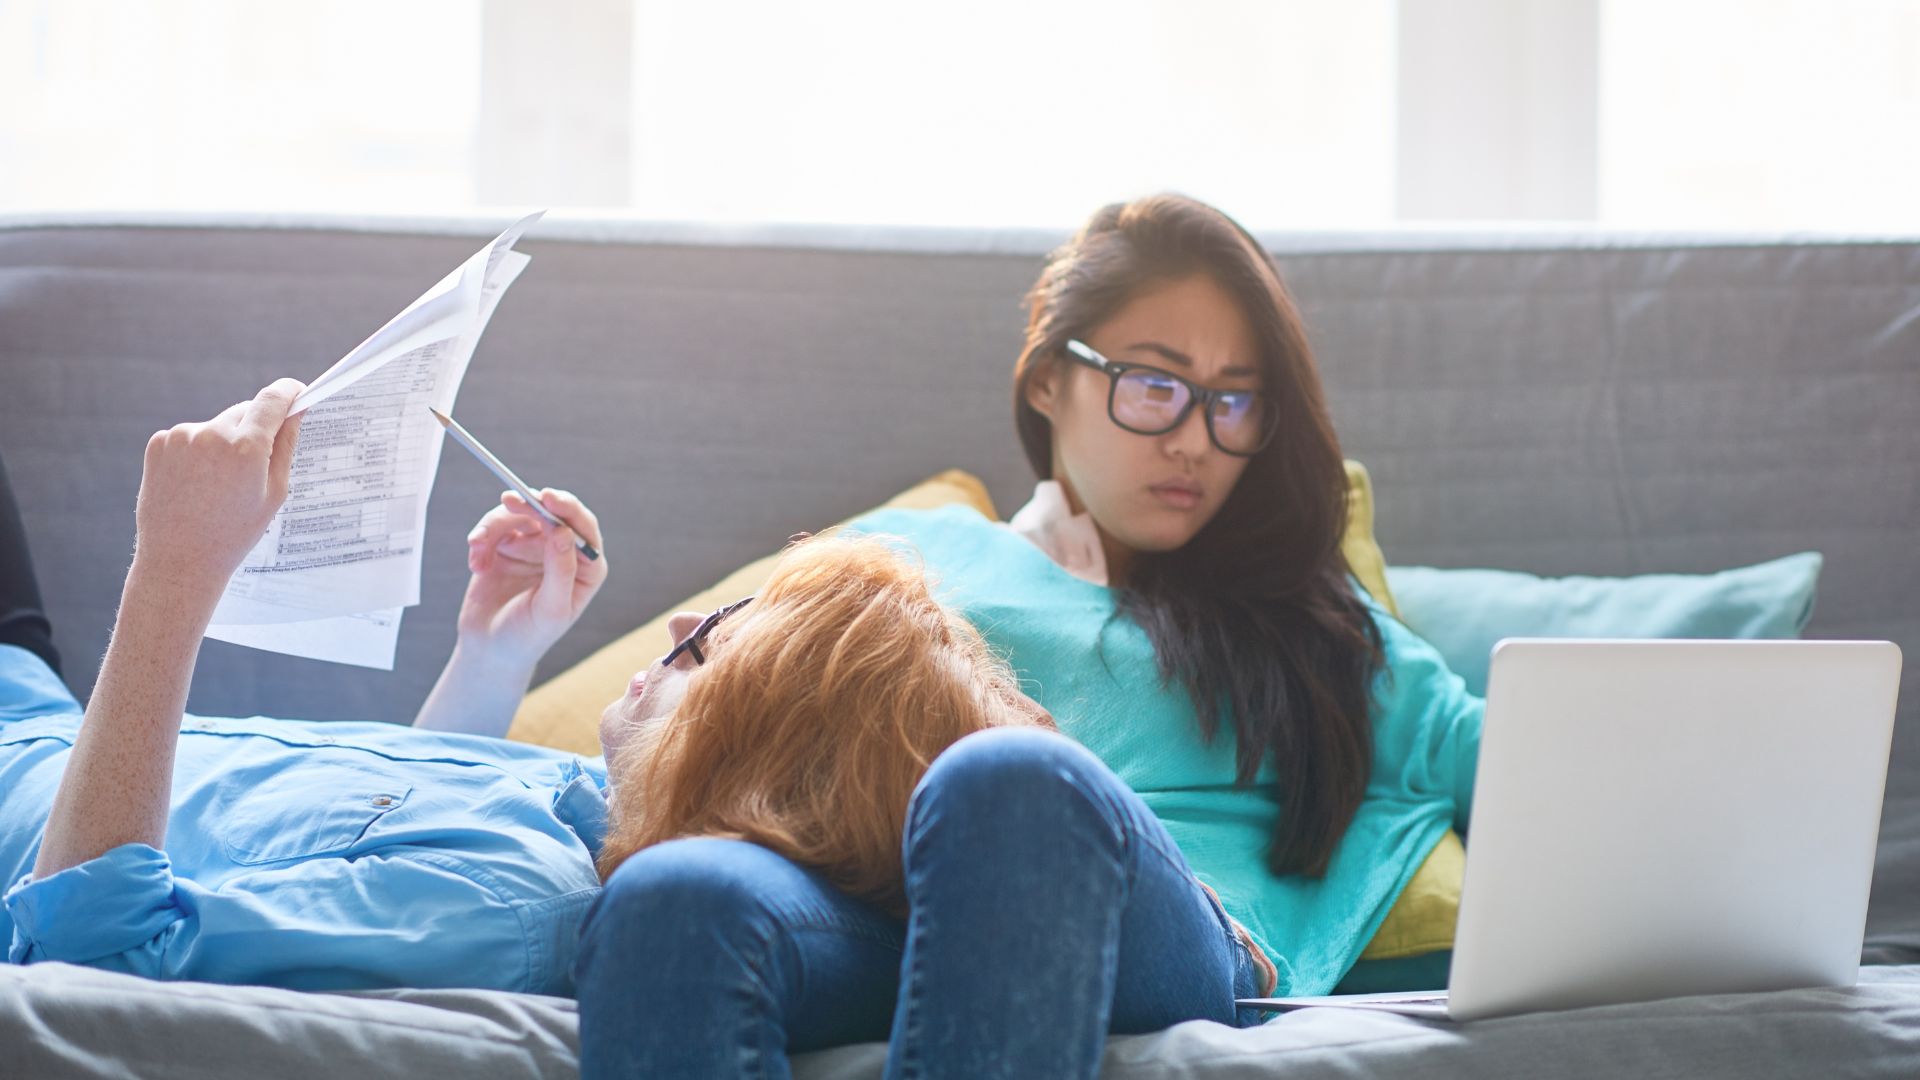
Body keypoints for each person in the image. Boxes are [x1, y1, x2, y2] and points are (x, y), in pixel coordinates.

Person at [575, 195, 1484, 1078]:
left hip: (1156, 923)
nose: (1196, 441)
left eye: (1233, 403)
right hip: (871, 897)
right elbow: (716, 714)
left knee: (1009, 778)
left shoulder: (1316, 634)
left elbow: (1525, 759)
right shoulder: (914, 555)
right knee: (675, 895)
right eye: (1155, 385)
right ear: (1049, 378)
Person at [0, 381, 1033, 996]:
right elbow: (368, 841)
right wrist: (495, 655)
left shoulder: (512, 911)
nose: (680, 624)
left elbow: (95, 957)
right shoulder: (585, 808)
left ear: (756, 764)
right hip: (32, 711)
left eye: (717, 641)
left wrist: (173, 570)